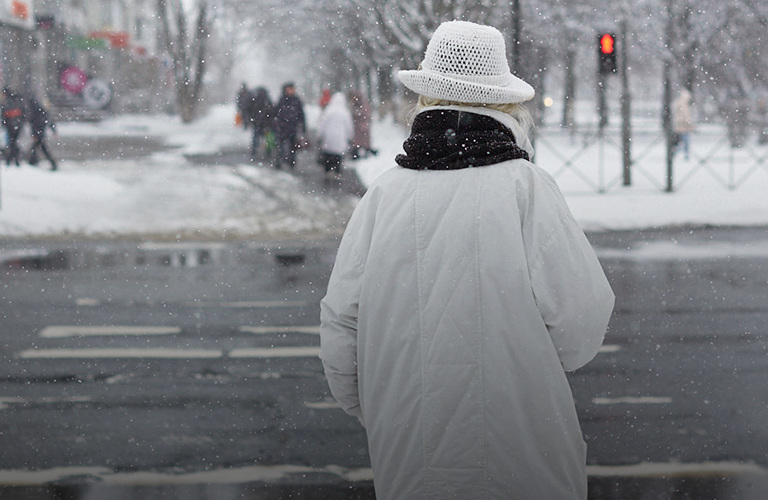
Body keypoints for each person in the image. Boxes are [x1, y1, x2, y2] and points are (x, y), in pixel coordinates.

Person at [319, 20, 614, 500]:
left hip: (410, 461)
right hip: (525, 458)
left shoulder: (383, 197)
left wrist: (385, 407)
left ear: (427, 99)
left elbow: (341, 328)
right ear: (504, 102)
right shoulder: (527, 190)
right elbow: (581, 326)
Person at [315, 92, 354, 182]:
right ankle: (336, 172)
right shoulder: (345, 112)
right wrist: (350, 137)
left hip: (329, 138)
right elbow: (349, 126)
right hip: (340, 138)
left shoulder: (328, 110)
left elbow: (322, 124)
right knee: (338, 156)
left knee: (328, 155)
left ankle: (327, 171)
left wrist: (320, 135)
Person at [272, 82, 306, 170]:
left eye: (292, 89)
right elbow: (275, 113)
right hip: (282, 127)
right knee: (280, 146)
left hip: (292, 128)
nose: (291, 91)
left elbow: (301, 114)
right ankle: (279, 161)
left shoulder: (296, 100)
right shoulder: (282, 100)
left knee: (292, 147)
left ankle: (291, 162)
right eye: (289, 89)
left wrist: (303, 127)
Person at [27, 96, 58, 171]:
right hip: (41, 130)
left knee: (39, 147)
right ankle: (33, 162)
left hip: (38, 131)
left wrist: (34, 133)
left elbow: (33, 123)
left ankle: (33, 162)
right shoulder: (41, 110)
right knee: (39, 147)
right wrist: (53, 130)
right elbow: (49, 120)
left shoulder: (34, 112)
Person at [348, 90, 377, 159]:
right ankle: (357, 154)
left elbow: (366, 115)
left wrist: (364, 124)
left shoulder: (363, 104)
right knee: (358, 143)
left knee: (363, 143)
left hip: (362, 128)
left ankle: (366, 153)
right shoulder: (355, 105)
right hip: (357, 128)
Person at [247, 86, 273, 161]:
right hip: (266, 123)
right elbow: (271, 111)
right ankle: (268, 152)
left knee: (256, 137)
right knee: (267, 138)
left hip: (257, 122)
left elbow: (250, 110)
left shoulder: (255, 100)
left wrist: (252, 119)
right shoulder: (267, 100)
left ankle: (254, 150)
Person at [1, 87, 26, 167]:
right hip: (17, 125)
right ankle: (14, 159)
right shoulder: (16, 101)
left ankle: (12, 159)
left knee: (12, 143)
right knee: (13, 142)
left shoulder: (8, 102)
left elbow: (6, 114)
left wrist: (5, 123)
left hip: (12, 126)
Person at [673, 89, 694, 159]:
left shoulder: (679, 103)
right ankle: (685, 154)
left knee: (682, 140)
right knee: (685, 141)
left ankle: (679, 152)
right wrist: (689, 123)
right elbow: (685, 116)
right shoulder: (683, 104)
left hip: (680, 125)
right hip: (684, 125)